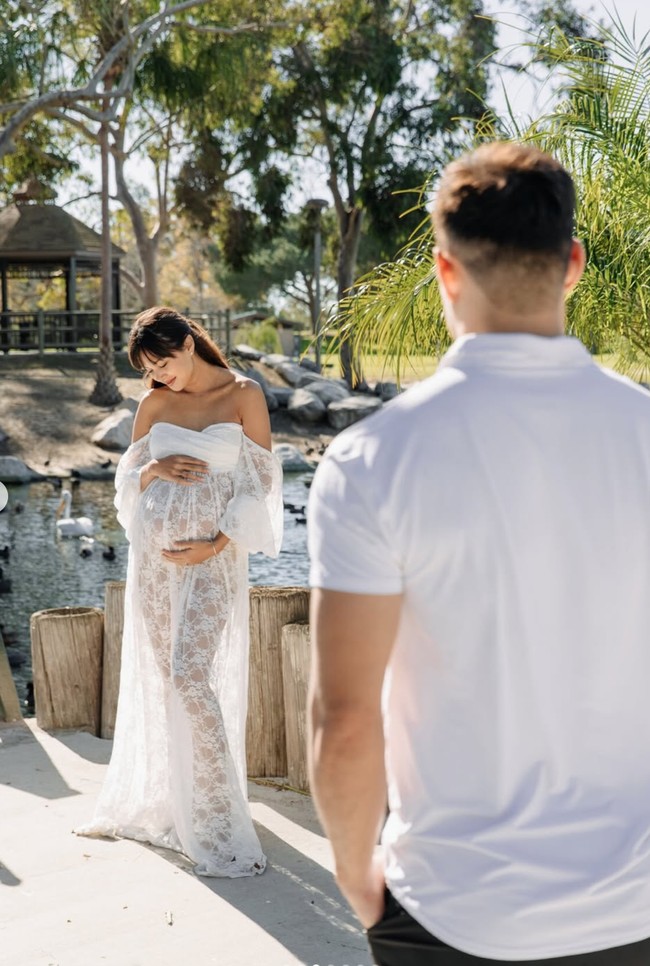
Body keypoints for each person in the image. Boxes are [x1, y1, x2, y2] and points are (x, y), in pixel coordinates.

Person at [307, 142, 650, 963]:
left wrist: (357, 878)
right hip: (636, 905)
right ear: (573, 264)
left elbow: (344, 720)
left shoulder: (373, 460)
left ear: (444, 271)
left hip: (455, 911)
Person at [78, 307, 283, 877]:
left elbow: (261, 481)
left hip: (213, 560)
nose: (158, 376)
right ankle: (174, 796)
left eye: (162, 362)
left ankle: (217, 810)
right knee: (166, 678)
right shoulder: (153, 404)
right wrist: (155, 470)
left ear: (189, 343)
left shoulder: (243, 393)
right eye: (148, 369)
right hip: (155, 562)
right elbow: (127, 481)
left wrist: (215, 544)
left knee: (190, 675)